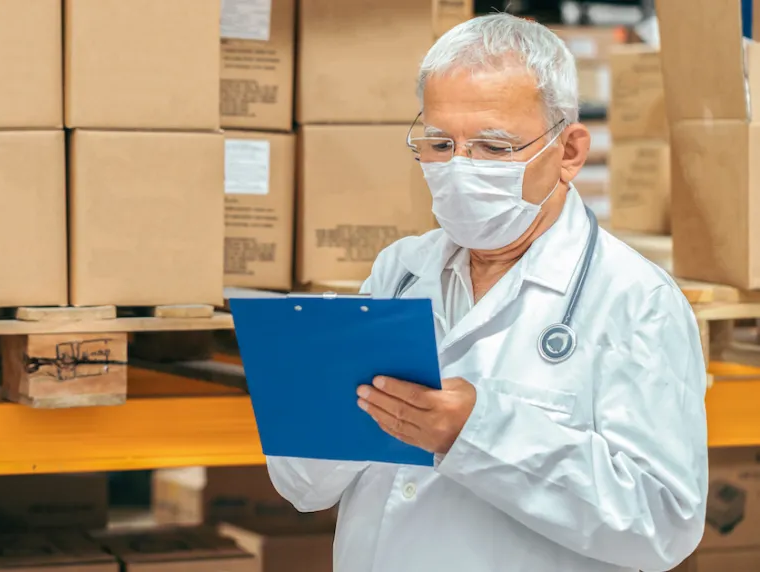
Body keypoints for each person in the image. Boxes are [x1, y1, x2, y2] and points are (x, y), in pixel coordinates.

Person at [266, 13, 708, 572]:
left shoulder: (634, 300)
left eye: (494, 148)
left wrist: (476, 433)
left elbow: (663, 524)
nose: (460, 169)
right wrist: (311, 393)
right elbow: (303, 487)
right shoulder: (399, 270)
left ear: (569, 152)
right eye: (440, 143)